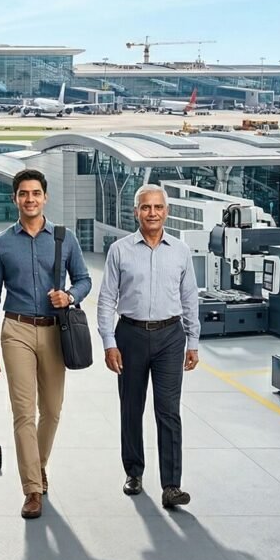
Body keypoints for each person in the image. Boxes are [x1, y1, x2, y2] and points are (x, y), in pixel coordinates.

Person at [0, 168, 92, 520]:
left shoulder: (64, 238)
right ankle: (32, 488)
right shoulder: (1, 244)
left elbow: (85, 279)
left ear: (45, 197)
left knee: (53, 410)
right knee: (24, 413)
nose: (30, 199)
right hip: (16, 331)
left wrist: (70, 295)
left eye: (35, 193)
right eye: (23, 194)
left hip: (55, 330)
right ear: (15, 199)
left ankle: (37, 465)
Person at [96, 183, 200, 508]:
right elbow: (106, 300)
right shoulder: (120, 250)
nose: (152, 213)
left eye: (157, 207)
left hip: (171, 337)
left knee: (168, 411)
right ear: (136, 212)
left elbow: (189, 298)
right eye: (145, 207)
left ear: (166, 211)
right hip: (130, 335)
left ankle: (171, 486)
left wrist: (193, 340)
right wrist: (109, 343)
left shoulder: (181, 251)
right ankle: (134, 472)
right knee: (132, 408)